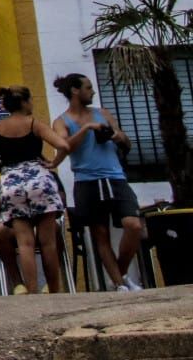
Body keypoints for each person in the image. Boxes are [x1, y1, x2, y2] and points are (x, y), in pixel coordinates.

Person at [53, 72, 145, 290]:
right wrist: (86, 129)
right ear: (75, 91)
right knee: (100, 234)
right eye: (88, 87)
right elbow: (64, 147)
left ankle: (120, 273)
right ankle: (119, 284)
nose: (93, 91)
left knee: (133, 225)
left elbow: (126, 142)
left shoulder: (102, 113)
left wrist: (116, 135)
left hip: (115, 177)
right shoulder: (61, 121)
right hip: (87, 181)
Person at [0, 85, 72, 295]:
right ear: (24, 102)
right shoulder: (34, 124)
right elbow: (64, 145)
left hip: (11, 183)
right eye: (31, 100)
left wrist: (9, 170)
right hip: (39, 180)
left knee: (25, 243)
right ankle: (53, 288)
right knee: (48, 242)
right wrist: (53, 163)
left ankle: (31, 291)